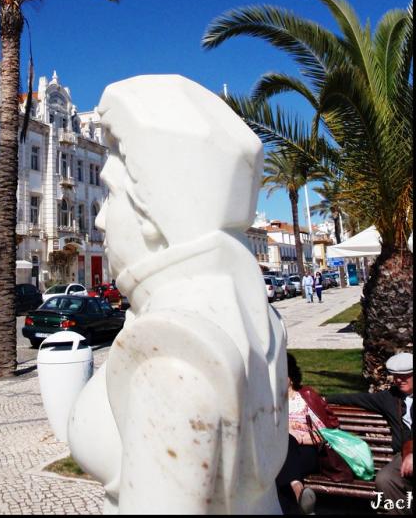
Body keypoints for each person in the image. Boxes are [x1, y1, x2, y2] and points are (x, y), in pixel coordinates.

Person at [67, 75, 288, 514]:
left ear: (153, 211)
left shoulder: (174, 353)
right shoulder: (256, 318)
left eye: (112, 196)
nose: (101, 221)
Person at [327, 352, 413, 515]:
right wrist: (324, 399)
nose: (399, 380)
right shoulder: (390, 397)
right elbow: (357, 399)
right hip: (403, 454)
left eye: (405, 376)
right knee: (385, 478)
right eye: (396, 376)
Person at [276, 353, 339, 515]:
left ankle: (298, 492)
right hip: (279, 454)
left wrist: (301, 438)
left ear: (291, 377)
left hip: (308, 452)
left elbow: (327, 434)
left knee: (282, 460)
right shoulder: (271, 402)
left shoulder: (306, 396)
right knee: (281, 466)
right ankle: (299, 493)